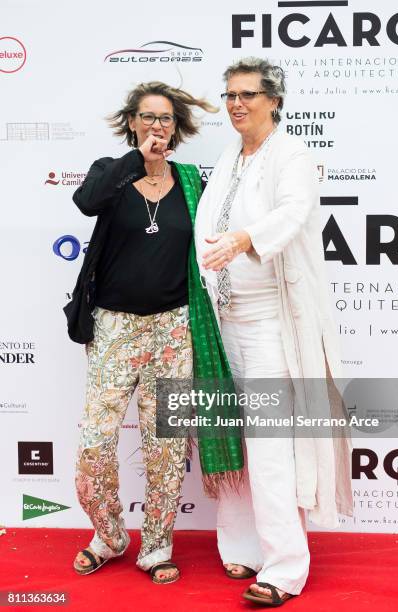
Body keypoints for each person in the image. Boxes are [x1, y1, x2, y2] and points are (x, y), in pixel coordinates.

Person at [195, 57, 353, 606]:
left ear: (275, 100)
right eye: (231, 94)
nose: (236, 103)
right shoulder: (228, 157)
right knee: (231, 438)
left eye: (248, 95)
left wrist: (242, 240)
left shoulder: (293, 155)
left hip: (270, 328)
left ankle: (284, 568)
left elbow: (291, 213)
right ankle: (241, 546)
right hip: (223, 324)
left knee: (267, 447)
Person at [65, 81, 220, 584]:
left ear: (178, 127)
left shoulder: (193, 182)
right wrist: (138, 160)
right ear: (131, 122)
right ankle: (109, 536)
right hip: (115, 328)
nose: (158, 126)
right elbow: (86, 202)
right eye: (149, 117)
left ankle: (157, 545)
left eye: (167, 119)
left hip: (174, 328)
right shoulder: (109, 176)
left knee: (167, 443)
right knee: (95, 440)